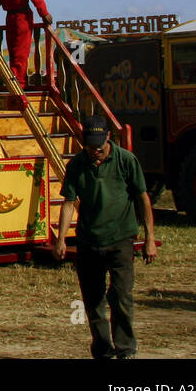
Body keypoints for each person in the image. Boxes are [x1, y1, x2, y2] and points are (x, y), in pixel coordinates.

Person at [53, 115, 157, 359]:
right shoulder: (76, 165)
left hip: (121, 238)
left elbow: (143, 199)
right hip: (89, 241)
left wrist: (150, 238)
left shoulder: (126, 160)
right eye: (90, 147)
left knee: (121, 296)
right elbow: (69, 203)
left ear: (108, 138)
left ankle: (126, 349)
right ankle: (102, 350)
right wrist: (61, 239)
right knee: (93, 300)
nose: (96, 152)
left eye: (99, 147)